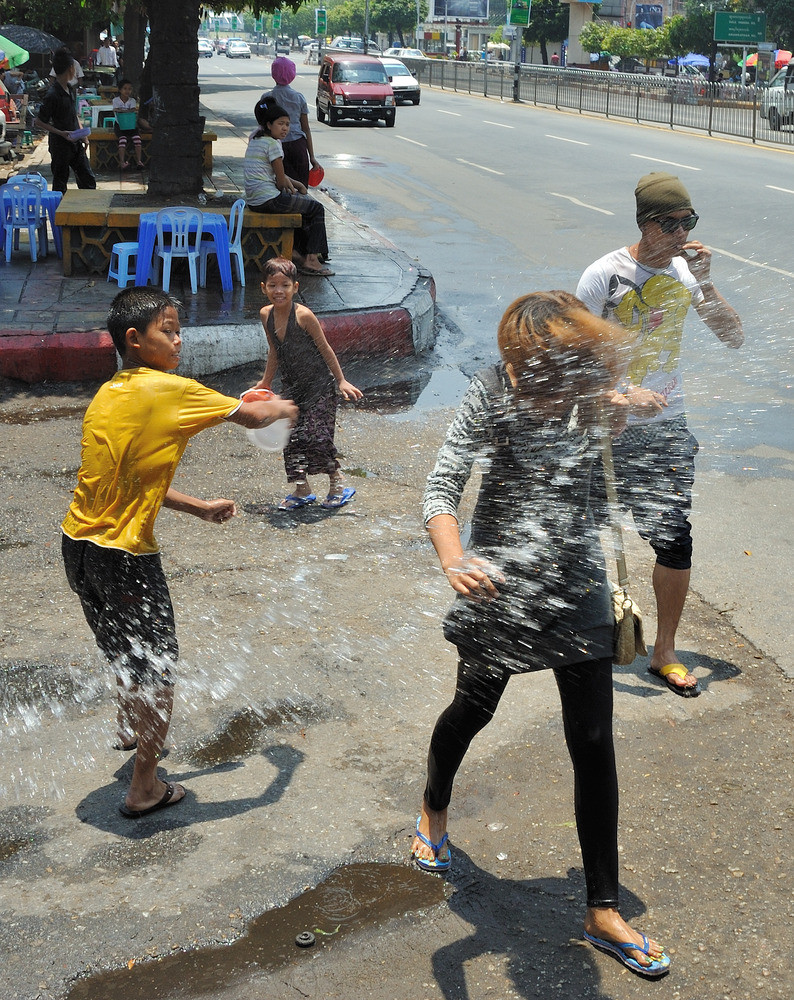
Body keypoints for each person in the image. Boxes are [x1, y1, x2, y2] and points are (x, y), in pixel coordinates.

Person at [411, 290, 671, 978]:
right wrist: (453, 558)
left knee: (592, 739)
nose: (533, 384)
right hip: (497, 579)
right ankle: (434, 807)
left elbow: (606, 462)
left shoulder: (589, 388)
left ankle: (603, 909)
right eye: (525, 370)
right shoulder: (492, 390)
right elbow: (442, 485)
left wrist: (631, 411)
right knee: (473, 709)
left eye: (546, 371)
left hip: (577, 581)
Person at [61, 287, 298, 818]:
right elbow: (255, 418)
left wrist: (198, 507)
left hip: (77, 547)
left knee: (124, 648)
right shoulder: (169, 388)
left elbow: (129, 478)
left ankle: (128, 728)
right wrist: (287, 402)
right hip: (124, 557)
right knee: (160, 671)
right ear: (134, 339)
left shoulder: (108, 395)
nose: (178, 339)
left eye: (178, 329)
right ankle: (145, 786)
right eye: (167, 330)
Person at [576, 173, 743, 697]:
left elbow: (734, 337)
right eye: (667, 223)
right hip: (604, 430)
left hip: (666, 431)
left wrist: (707, 281)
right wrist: (624, 395)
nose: (678, 232)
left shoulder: (687, 275)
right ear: (643, 224)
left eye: (686, 222)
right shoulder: (604, 276)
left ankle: (664, 650)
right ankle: (582, 636)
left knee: (674, 539)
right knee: (582, 534)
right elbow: (571, 366)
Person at [251, 257, 363, 510]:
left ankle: (337, 484)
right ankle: (302, 489)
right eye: (272, 285)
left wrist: (341, 380)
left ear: (296, 287)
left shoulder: (303, 316)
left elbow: (325, 349)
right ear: (263, 288)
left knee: (318, 439)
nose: (278, 291)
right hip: (291, 389)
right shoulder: (265, 315)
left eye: (285, 285)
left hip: (319, 388)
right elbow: (274, 350)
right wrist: (265, 382)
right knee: (291, 440)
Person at [244, 97, 332, 277]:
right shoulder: (273, 144)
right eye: (280, 124)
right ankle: (312, 260)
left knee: (303, 207)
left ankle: (298, 254)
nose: (285, 128)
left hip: (254, 200)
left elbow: (279, 176)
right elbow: (281, 182)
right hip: (268, 199)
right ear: (269, 125)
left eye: (287, 124)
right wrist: (298, 188)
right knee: (316, 208)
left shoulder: (255, 139)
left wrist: (298, 186)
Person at [35, 48, 97, 195]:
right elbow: (39, 121)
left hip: (76, 141)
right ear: (70, 68)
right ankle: (59, 215)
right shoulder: (52, 94)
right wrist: (61, 133)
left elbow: (74, 114)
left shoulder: (70, 89)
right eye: (74, 68)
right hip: (60, 145)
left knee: (88, 180)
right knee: (60, 184)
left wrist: (83, 134)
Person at [259, 56, 321, 189]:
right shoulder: (298, 98)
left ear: (273, 74)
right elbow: (306, 129)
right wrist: (312, 157)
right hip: (298, 146)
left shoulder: (266, 99)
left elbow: (263, 128)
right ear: (292, 75)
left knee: (280, 186)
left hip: (276, 147)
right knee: (300, 187)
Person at [112, 78, 150, 171]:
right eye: (125, 88)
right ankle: (122, 162)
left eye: (129, 89)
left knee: (137, 140)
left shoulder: (132, 100)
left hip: (131, 125)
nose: (127, 91)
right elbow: (116, 110)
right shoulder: (116, 100)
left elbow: (132, 110)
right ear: (120, 90)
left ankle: (139, 161)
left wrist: (122, 110)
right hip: (120, 125)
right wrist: (124, 111)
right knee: (122, 140)